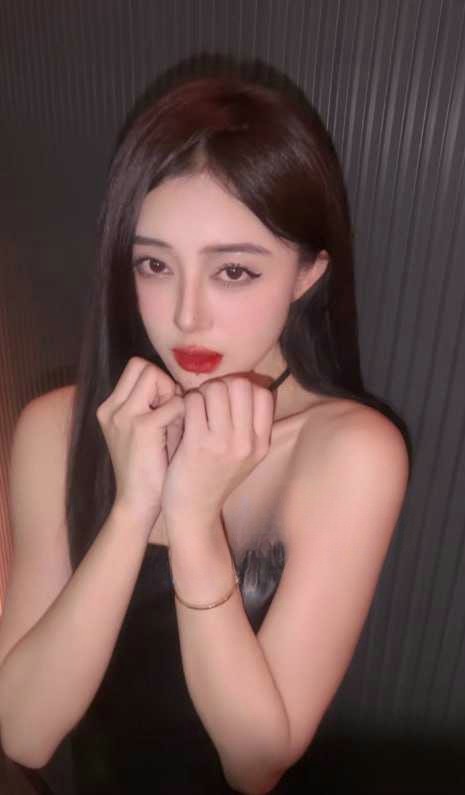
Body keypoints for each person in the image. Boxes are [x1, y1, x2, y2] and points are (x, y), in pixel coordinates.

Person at [0, 68, 411, 794]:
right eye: (154, 264)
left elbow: (255, 764)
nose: (187, 315)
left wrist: (192, 522)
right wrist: (133, 509)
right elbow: (24, 730)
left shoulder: (350, 453)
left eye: (234, 272)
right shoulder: (55, 427)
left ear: (308, 272)